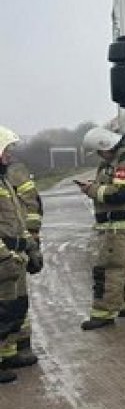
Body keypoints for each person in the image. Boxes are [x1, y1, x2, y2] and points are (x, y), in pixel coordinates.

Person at [78, 128, 125, 330]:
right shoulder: (112, 163)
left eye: (99, 151)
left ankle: (103, 314)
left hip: (120, 228)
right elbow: (112, 187)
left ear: (106, 146)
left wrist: (92, 190)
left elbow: (121, 194)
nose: (99, 155)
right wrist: (94, 186)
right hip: (116, 227)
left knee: (109, 269)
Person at [0, 126, 37, 382]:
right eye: (6, 151)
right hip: (4, 258)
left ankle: (7, 354)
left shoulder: (4, 181)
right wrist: (4, 256)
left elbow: (17, 220)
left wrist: (31, 246)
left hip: (13, 256)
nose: (10, 156)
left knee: (14, 307)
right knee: (2, 310)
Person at [6, 149, 43, 355]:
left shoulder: (13, 173)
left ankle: (20, 343)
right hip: (9, 247)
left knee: (17, 298)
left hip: (16, 246)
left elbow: (30, 206)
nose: (8, 155)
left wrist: (32, 241)